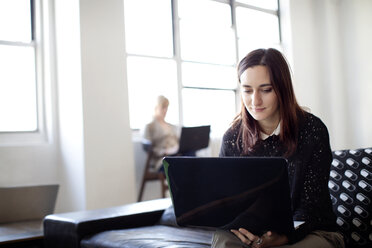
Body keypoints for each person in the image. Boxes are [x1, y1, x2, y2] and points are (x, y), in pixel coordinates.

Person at [212, 48, 344, 248]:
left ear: (282, 88)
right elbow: (228, 203)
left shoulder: (313, 131)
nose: (255, 101)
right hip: (252, 230)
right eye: (247, 90)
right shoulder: (232, 137)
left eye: (266, 90)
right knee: (222, 240)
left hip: (312, 231)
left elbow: (312, 206)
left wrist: (283, 238)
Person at [142, 95, 180, 171]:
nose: (165, 110)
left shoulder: (171, 126)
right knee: (181, 165)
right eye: (163, 107)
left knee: (193, 158)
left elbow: (179, 141)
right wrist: (165, 151)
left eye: (167, 108)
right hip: (162, 159)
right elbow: (148, 147)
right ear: (156, 107)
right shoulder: (150, 126)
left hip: (177, 154)